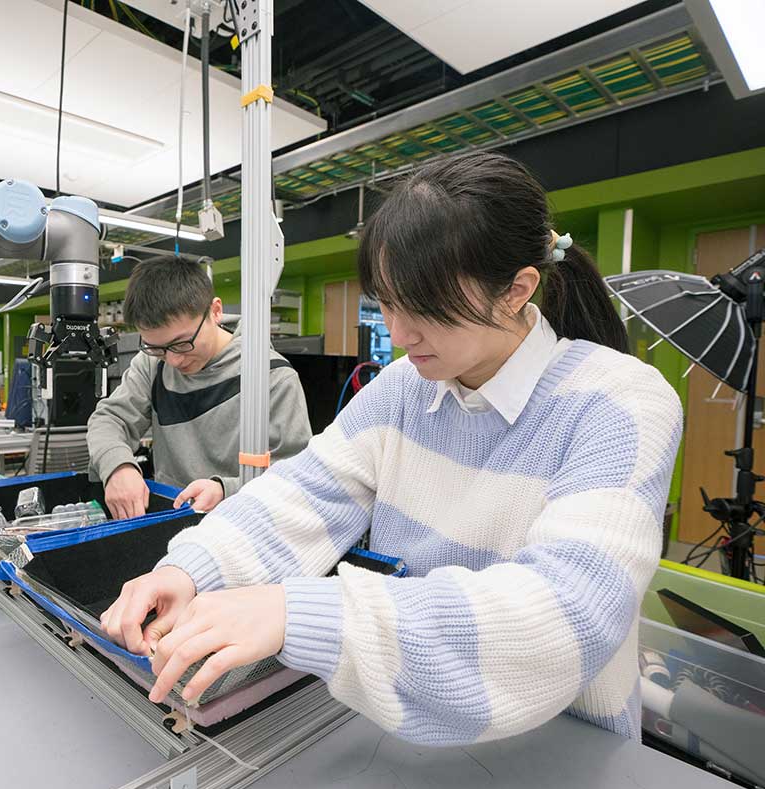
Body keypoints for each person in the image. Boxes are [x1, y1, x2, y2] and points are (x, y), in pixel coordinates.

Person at [100, 152, 682, 746]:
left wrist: (300, 613)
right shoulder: (406, 387)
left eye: (425, 308)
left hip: (561, 746)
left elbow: (565, 615)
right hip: (414, 721)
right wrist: (188, 569)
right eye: (388, 302)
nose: (399, 335)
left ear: (516, 291)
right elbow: (302, 493)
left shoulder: (618, 402)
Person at [87, 256, 312, 520]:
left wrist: (225, 490)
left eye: (182, 343)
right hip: (171, 523)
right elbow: (109, 419)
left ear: (215, 312)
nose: (173, 360)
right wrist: (118, 466)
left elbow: (297, 474)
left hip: (243, 526)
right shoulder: (151, 364)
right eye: (157, 347)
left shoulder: (271, 376)